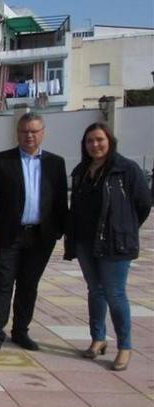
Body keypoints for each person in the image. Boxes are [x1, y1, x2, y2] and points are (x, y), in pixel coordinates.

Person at [0, 112, 68, 356]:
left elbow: (61, 201)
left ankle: (21, 331)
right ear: (17, 133)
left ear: (43, 133)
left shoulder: (55, 163)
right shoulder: (1, 161)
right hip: (8, 235)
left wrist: (57, 231)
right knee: (2, 285)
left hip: (40, 237)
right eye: (24, 131)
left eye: (34, 131)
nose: (29, 135)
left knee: (29, 285)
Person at [64, 123, 151, 371]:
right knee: (95, 290)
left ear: (110, 141)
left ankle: (124, 346)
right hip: (85, 241)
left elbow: (143, 204)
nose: (95, 145)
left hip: (115, 243)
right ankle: (98, 339)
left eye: (99, 140)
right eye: (90, 141)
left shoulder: (126, 169)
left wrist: (124, 228)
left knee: (115, 294)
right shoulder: (81, 171)